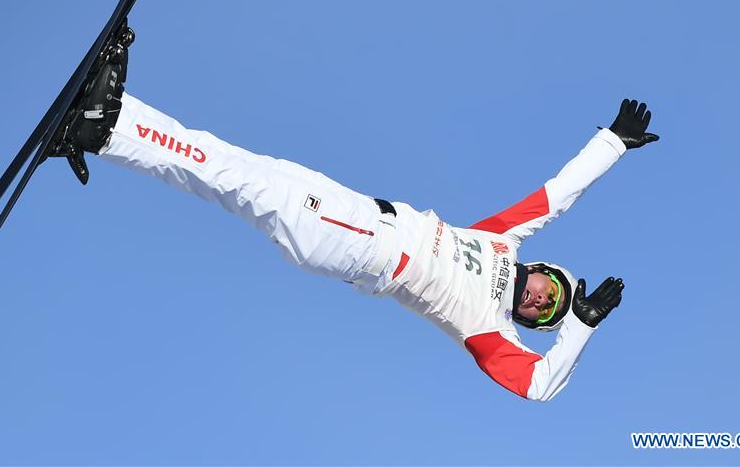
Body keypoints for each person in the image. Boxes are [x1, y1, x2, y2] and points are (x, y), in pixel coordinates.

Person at [46, 27, 659, 401]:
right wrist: (613, 143)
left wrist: (581, 325)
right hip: (361, 214)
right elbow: (556, 194)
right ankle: (109, 123)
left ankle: (109, 121)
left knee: (238, 178)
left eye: (545, 312)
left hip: (369, 247)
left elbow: (539, 386)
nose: (538, 301)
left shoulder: (489, 328)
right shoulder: (500, 240)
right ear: (545, 271)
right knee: (238, 169)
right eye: (549, 291)